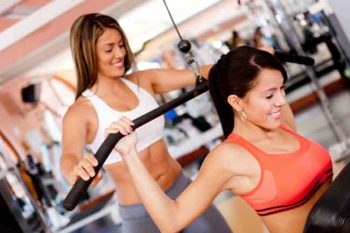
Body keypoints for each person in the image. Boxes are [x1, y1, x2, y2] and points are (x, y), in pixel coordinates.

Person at [113, 46, 334, 233]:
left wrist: (262, 64)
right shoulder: (229, 158)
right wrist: (129, 154)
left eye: (282, 90)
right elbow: (171, 221)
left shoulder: (278, 124)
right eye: (269, 95)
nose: (281, 101)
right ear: (236, 103)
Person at [60, 13, 232, 233]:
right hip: (140, 214)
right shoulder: (80, 112)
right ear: (87, 54)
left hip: (182, 192)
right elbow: (68, 156)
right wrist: (75, 170)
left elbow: (200, 75)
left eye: (121, 45)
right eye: (109, 49)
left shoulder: (144, 80)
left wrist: (244, 59)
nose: (120, 53)